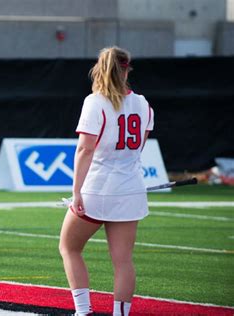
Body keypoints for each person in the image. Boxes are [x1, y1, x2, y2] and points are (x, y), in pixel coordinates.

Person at [59, 46, 154, 316]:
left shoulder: (95, 101)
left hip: (98, 187)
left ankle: (83, 310)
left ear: (99, 68)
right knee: (123, 261)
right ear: (127, 69)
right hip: (130, 188)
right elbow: (137, 149)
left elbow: (85, 149)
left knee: (68, 247)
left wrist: (76, 192)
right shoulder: (143, 103)